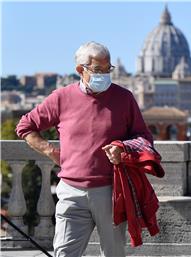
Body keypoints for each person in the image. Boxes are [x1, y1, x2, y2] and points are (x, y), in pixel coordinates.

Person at [16, 41, 153, 257]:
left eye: (108, 69)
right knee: (64, 253)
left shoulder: (124, 98)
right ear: (81, 70)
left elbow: (144, 138)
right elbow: (25, 126)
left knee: (114, 254)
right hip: (71, 191)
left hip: (111, 192)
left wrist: (122, 148)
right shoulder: (61, 97)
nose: (105, 75)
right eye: (98, 70)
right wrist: (50, 151)